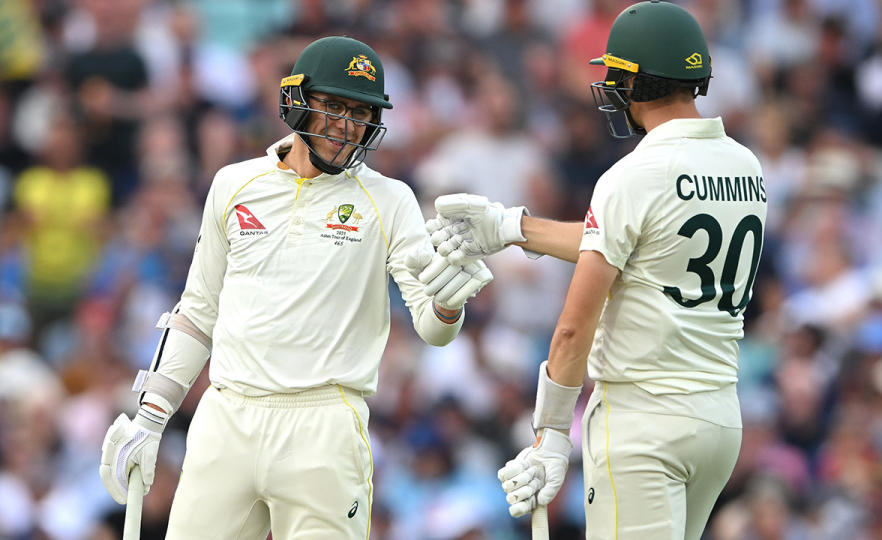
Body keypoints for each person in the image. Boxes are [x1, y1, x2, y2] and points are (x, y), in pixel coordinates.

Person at [98, 36, 492, 539]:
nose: (346, 126)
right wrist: (150, 419)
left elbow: (433, 330)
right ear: (296, 100)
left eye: (360, 112)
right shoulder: (234, 184)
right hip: (228, 418)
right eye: (332, 106)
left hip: (324, 425)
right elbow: (197, 313)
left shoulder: (390, 200)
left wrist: (447, 302)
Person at [428, 2, 767, 538]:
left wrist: (553, 433)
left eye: (619, 75)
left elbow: (572, 327)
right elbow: (638, 248)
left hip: (643, 422)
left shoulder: (633, 175)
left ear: (638, 83)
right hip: (719, 420)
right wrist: (512, 226)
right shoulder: (745, 166)